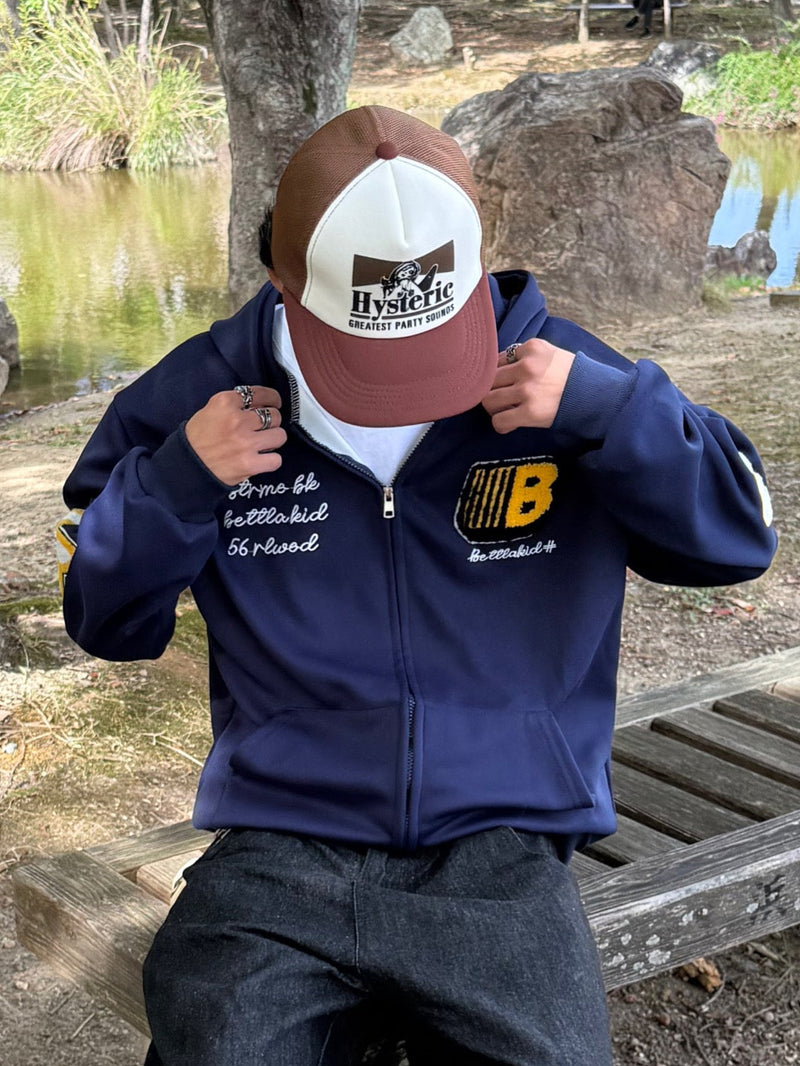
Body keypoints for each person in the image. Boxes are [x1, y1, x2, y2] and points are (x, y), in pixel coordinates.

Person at [58, 105, 777, 1066]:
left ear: (474, 268)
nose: (403, 388)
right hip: (280, 842)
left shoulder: (566, 375)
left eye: (430, 338)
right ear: (281, 277)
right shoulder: (194, 398)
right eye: (368, 356)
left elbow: (737, 541)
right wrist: (177, 483)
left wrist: (614, 414)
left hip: (501, 848)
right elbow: (103, 617)